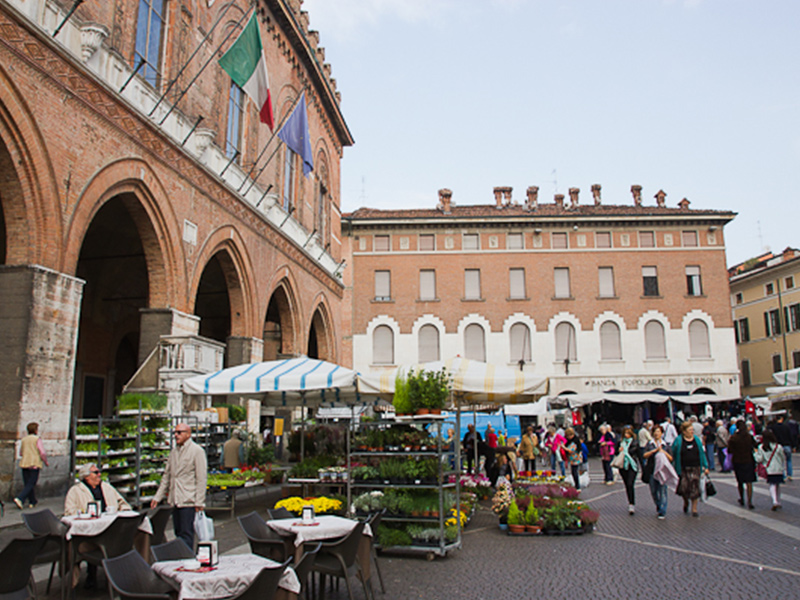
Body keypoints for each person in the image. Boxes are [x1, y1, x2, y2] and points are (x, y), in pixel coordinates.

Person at [65, 463, 131, 588]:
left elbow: (122, 502)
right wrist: (84, 514)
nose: (99, 474)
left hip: (111, 534)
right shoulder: (75, 491)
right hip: (87, 535)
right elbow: (69, 512)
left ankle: (135, 573)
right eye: (95, 472)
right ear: (86, 477)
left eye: (99, 471)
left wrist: (124, 510)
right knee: (84, 543)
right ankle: (88, 576)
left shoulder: (107, 487)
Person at [151, 422, 208, 549]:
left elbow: (201, 478)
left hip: (188, 499)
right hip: (175, 499)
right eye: (175, 433)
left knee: (186, 532)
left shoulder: (197, 451)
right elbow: (167, 476)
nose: (176, 435)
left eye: (179, 432)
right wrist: (158, 496)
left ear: (188, 434)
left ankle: (187, 558)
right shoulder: (174, 452)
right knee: (178, 532)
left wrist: (199, 501)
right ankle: (180, 558)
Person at [672, 420, 709, 517]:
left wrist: (705, 466)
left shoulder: (696, 440)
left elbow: (701, 453)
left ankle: (694, 508)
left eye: (692, 430)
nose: (692, 431)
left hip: (695, 467)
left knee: (695, 487)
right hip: (683, 467)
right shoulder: (679, 440)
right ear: (684, 431)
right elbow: (673, 452)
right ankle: (686, 502)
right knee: (684, 488)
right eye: (690, 430)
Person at [14, 422, 48, 510]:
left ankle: (32, 501)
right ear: (36, 430)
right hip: (34, 463)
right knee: (32, 483)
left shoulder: (24, 439)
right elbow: (42, 452)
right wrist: (45, 461)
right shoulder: (37, 439)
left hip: (24, 463)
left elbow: (21, 452)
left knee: (28, 483)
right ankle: (20, 498)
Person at [643, 424, 672, 519]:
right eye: (655, 431)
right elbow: (645, 455)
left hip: (662, 471)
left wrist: (663, 452)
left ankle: (662, 510)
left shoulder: (665, 445)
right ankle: (659, 504)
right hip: (652, 470)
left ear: (662, 433)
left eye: (658, 431)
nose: (657, 433)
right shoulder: (650, 444)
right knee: (654, 491)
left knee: (663, 490)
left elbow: (671, 458)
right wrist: (654, 451)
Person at [727, 419, 757, 509]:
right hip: (748, 460)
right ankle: (750, 501)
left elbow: (729, 450)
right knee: (749, 482)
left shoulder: (734, 438)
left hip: (737, 461)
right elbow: (755, 445)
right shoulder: (749, 437)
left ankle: (742, 498)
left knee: (740, 481)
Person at [755, 429, 786, 511]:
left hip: (769, 468)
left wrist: (755, 454)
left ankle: (774, 501)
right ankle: (778, 500)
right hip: (778, 468)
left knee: (772, 484)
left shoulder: (762, 447)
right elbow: (783, 457)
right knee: (778, 484)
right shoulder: (778, 446)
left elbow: (759, 459)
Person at [617, 426, 639, 515]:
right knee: (627, 485)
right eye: (625, 433)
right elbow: (615, 452)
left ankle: (632, 503)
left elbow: (639, 455)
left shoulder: (635, 443)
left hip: (632, 465)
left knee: (630, 483)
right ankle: (630, 501)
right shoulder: (620, 443)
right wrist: (618, 450)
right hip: (623, 466)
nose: (627, 435)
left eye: (628, 434)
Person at [768, 414, 793, 481]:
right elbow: (790, 436)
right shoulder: (786, 427)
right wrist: (793, 445)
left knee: (780, 461)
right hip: (787, 445)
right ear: (782, 419)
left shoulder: (774, 427)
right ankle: (790, 475)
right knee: (789, 460)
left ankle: (783, 475)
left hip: (778, 446)